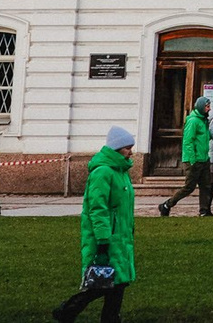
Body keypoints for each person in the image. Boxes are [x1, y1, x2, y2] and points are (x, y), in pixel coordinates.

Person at [54, 126, 136, 323]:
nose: (130, 152)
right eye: (127, 148)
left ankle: (110, 318)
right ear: (116, 149)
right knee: (100, 283)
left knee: (119, 282)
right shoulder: (103, 173)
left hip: (120, 235)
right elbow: (97, 208)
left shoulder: (121, 171)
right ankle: (67, 311)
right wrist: (102, 239)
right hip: (107, 236)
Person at [156, 92, 213, 217]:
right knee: (189, 187)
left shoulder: (204, 121)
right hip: (194, 160)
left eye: (209, 106)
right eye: (207, 106)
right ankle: (167, 205)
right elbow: (188, 141)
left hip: (204, 158)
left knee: (206, 186)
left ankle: (204, 211)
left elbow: (205, 137)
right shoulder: (193, 121)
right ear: (201, 107)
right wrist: (192, 159)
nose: (209, 108)